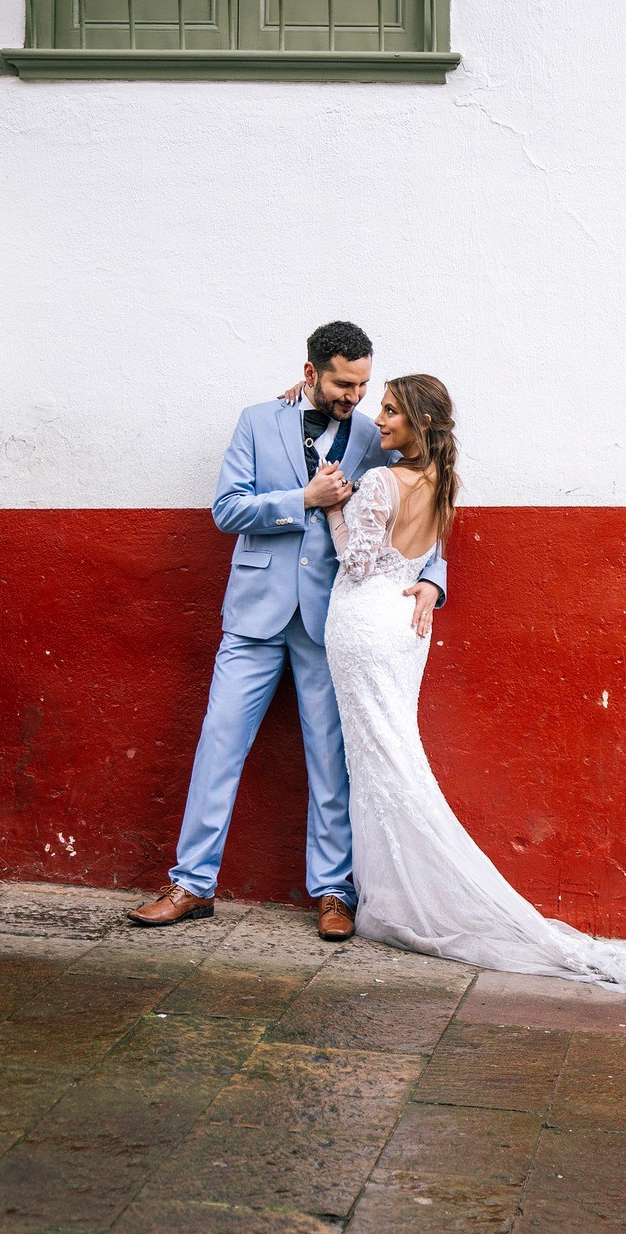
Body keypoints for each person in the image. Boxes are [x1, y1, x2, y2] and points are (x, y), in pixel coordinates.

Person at [324, 374, 626, 1013]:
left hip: (367, 623)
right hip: (405, 630)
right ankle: (399, 893)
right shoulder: (444, 481)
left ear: (421, 422)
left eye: (392, 410)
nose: (380, 418)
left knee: (382, 762)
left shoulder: (379, 482)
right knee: (392, 759)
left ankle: (412, 895)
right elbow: (420, 556)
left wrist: (333, 511)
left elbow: (356, 564)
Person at [130, 322, 446, 941]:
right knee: (218, 744)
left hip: (331, 620)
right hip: (253, 616)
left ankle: (334, 891)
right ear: (310, 373)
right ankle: (191, 883)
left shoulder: (375, 433)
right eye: (343, 384)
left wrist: (434, 580)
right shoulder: (256, 420)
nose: (355, 396)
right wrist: (302, 497)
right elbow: (227, 509)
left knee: (330, 756)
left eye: (363, 384)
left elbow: (423, 503)